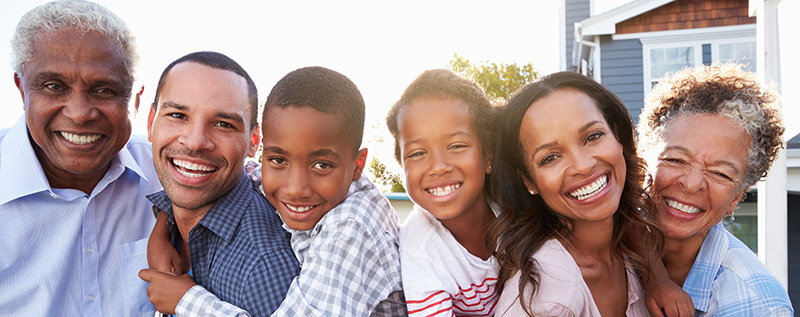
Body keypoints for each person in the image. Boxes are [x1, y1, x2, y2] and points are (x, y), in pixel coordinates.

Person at [151, 66, 406, 316]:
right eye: (278, 160)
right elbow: (244, 172)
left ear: (357, 166)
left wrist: (186, 300)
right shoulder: (304, 185)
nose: (295, 188)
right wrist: (165, 224)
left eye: (321, 165)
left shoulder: (351, 228)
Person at [0, 1, 160, 315]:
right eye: (53, 86)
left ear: (136, 100)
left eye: (104, 90)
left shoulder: (168, 176)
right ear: (22, 90)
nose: (79, 114)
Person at [136, 51, 299, 316]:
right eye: (178, 115)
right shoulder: (170, 211)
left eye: (223, 124)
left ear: (253, 141)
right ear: (151, 122)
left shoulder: (263, 264)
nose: (195, 141)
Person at [490, 71, 663, 316]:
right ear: (528, 180)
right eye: (550, 158)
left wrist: (658, 277)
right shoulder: (546, 295)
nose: (583, 166)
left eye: (593, 136)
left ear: (617, 137)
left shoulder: (629, 252)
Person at [637, 63, 794, 316]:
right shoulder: (596, 242)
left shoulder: (758, 304)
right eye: (676, 159)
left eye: (720, 174)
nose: (691, 183)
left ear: (736, 198)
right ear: (642, 160)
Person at [386, 69, 501, 316]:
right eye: (418, 153)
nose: (438, 166)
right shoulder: (420, 248)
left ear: (488, 154)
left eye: (456, 146)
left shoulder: (512, 204)